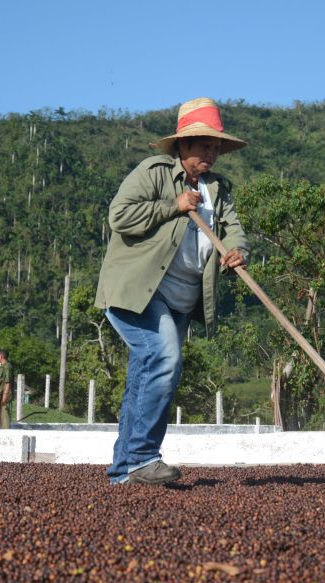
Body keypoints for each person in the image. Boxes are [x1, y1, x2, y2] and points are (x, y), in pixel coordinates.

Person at [94, 97, 249, 485]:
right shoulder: (154, 173)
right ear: (182, 146)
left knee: (145, 374)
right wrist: (174, 205)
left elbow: (233, 229)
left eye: (216, 147)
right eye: (203, 146)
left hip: (182, 300)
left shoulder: (218, 189)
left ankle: (124, 472)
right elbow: (120, 216)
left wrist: (237, 252)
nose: (211, 154)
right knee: (165, 358)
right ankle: (144, 457)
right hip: (140, 293)